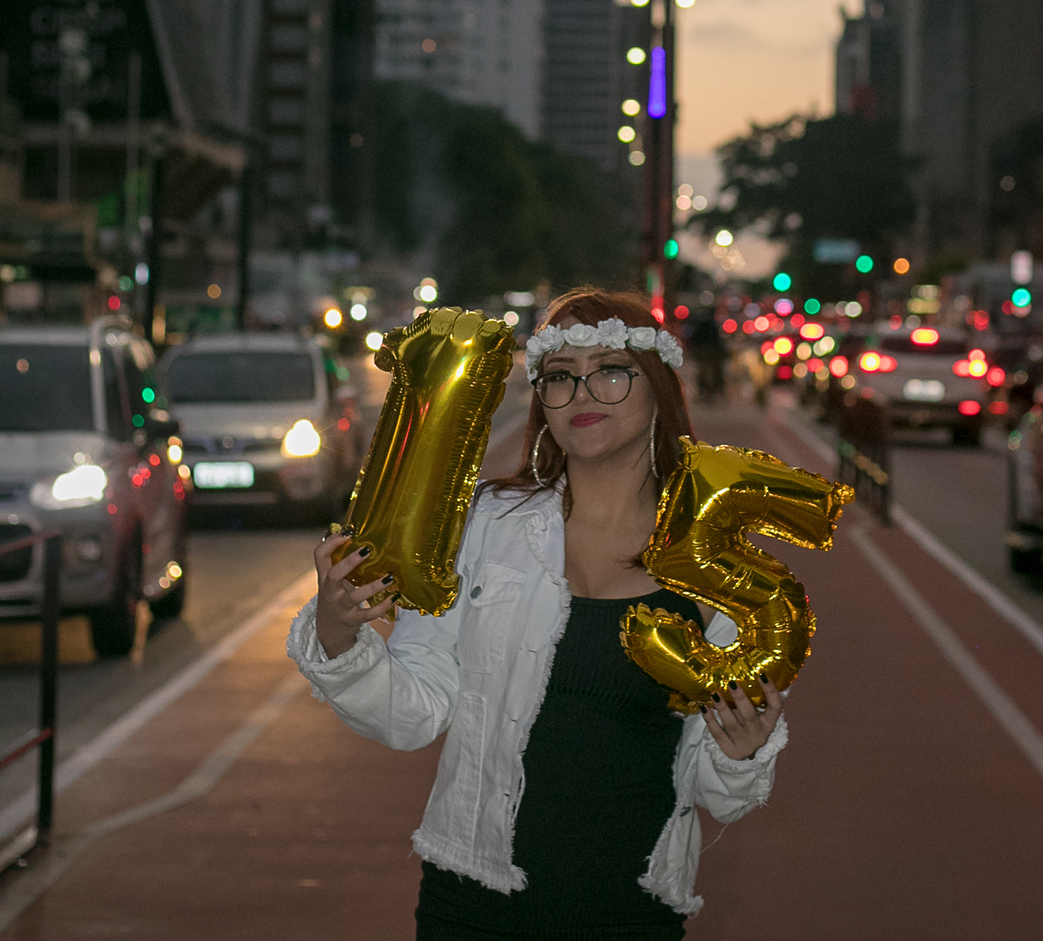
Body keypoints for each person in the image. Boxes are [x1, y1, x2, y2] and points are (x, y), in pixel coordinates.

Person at [288, 287, 787, 939]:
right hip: (471, 908)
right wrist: (336, 632)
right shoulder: (486, 529)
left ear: (660, 388)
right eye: (559, 377)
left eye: (610, 370)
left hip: (629, 916)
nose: (583, 393)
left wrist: (743, 755)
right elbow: (415, 712)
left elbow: (716, 791)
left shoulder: (716, 568)